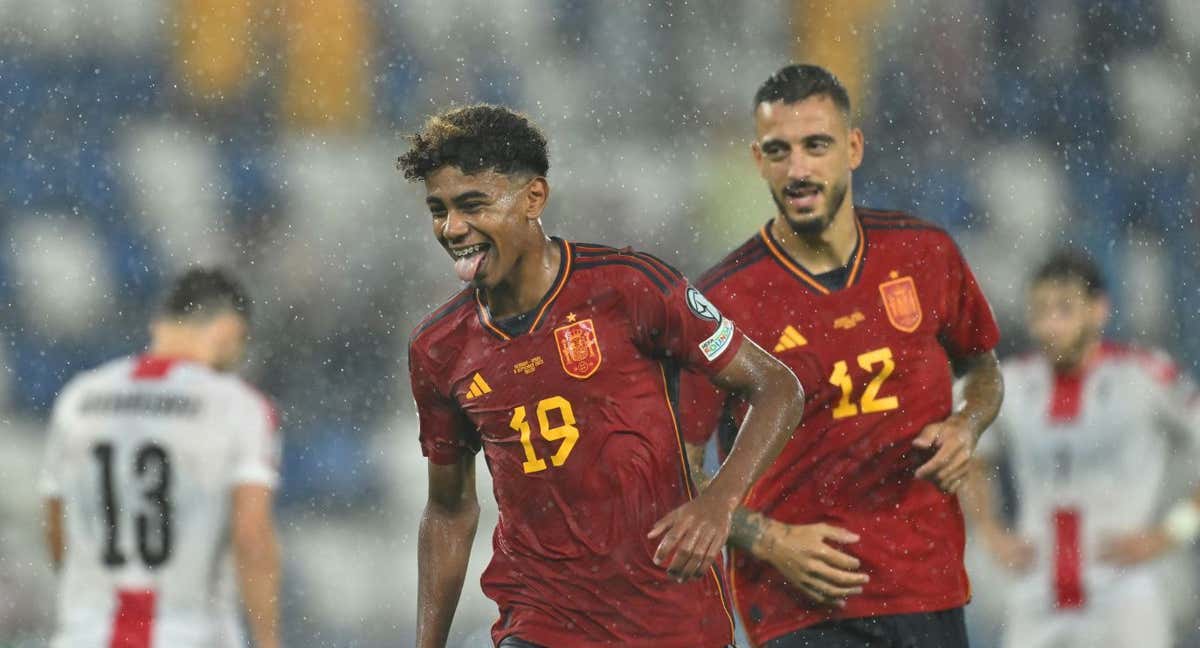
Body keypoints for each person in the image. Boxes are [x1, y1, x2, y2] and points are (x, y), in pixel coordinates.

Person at [398, 104, 806, 648]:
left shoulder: (628, 287)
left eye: (473, 204)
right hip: (540, 623)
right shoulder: (438, 347)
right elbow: (449, 508)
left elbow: (778, 387)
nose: (452, 228)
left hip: (674, 621)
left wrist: (719, 502)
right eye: (438, 209)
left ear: (533, 198)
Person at [680, 63, 1004, 647]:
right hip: (799, 608)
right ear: (758, 161)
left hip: (927, 587)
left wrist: (966, 424)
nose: (797, 169)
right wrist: (769, 540)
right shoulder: (722, 302)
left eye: (816, 145)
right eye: (779, 151)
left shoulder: (925, 254)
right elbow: (674, 466)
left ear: (853, 148)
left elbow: (983, 369)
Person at [963, 250, 1200, 648]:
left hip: (1126, 589)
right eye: (1039, 310)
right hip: (1035, 587)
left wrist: (1170, 533)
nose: (1049, 325)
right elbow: (970, 452)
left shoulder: (1143, 376)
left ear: (1099, 310)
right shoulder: (1012, 383)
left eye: (1064, 309)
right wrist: (989, 531)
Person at [40, 268, 281, 648]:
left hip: (87, 635)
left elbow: (57, 528)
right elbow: (251, 538)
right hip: (192, 634)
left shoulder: (79, 399)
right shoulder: (238, 406)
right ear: (229, 330)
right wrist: (269, 640)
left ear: (159, 324)